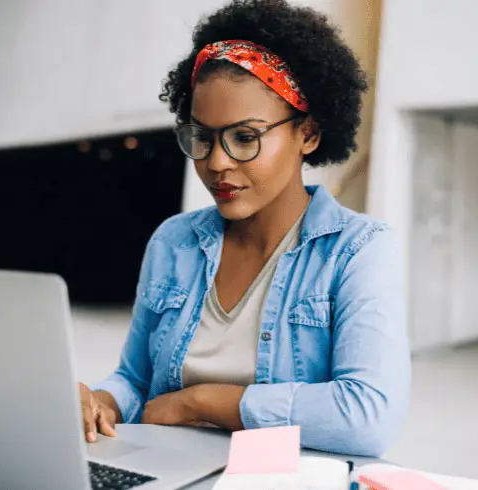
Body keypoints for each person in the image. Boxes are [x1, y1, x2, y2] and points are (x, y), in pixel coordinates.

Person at [79, 0, 410, 457]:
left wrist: (205, 402)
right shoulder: (174, 243)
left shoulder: (356, 250)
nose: (216, 162)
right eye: (202, 137)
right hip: (167, 468)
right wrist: (103, 401)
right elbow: (135, 380)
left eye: (245, 138)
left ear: (308, 134)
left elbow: (368, 416)